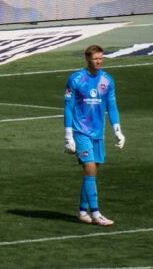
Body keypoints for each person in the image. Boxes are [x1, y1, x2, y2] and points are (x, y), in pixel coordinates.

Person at [64, 44, 124, 226]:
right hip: (80, 131)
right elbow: (68, 107)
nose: (98, 61)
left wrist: (117, 130)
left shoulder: (107, 80)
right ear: (87, 59)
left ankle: (83, 212)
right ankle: (96, 213)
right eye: (95, 58)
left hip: (98, 132)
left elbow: (111, 106)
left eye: (101, 58)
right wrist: (68, 135)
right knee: (89, 168)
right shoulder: (76, 79)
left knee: (92, 173)